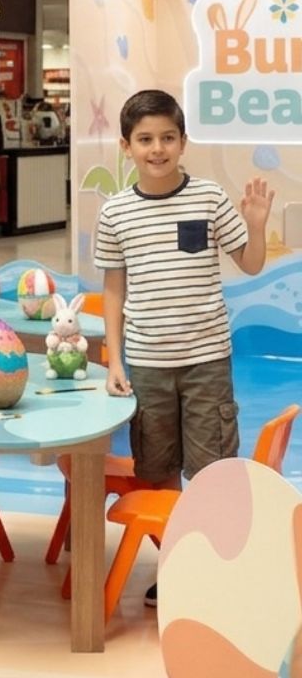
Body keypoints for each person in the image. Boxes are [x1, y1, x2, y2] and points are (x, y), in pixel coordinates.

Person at [95, 88, 270, 606]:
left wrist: (257, 226)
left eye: (167, 137)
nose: (157, 148)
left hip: (206, 361)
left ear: (183, 141)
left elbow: (252, 263)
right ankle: (177, 564)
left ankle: (217, 567)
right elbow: (113, 289)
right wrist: (114, 358)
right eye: (145, 139)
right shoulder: (116, 213)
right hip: (147, 365)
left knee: (213, 468)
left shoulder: (210, 198)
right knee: (157, 469)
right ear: (126, 146)